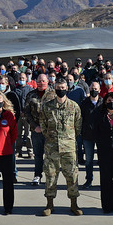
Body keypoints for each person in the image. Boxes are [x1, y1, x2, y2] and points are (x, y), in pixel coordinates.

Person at [39, 78, 83, 216]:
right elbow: (43, 124)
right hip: (52, 148)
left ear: (67, 88)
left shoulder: (74, 106)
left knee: (71, 175)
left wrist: (68, 138)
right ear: (55, 88)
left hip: (69, 148)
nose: (61, 89)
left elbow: (78, 126)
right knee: (50, 176)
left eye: (63, 87)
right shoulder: (47, 106)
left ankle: (74, 204)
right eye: (58, 87)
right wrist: (50, 137)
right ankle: (49, 204)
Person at [23, 74, 55, 186]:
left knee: (50, 155)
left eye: (43, 81)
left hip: (50, 131)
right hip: (36, 130)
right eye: (39, 81)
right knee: (38, 154)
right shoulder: (31, 95)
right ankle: (37, 175)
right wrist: (34, 126)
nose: (41, 83)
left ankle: (50, 176)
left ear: (47, 81)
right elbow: (26, 113)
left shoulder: (53, 94)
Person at [79, 81, 103, 189]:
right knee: (89, 160)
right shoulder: (84, 103)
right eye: (92, 88)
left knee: (103, 159)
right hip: (87, 136)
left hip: (101, 136)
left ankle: (104, 180)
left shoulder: (103, 103)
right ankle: (89, 179)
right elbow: (80, 119)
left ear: (100, 90)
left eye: (96, 89)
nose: (94, 90)